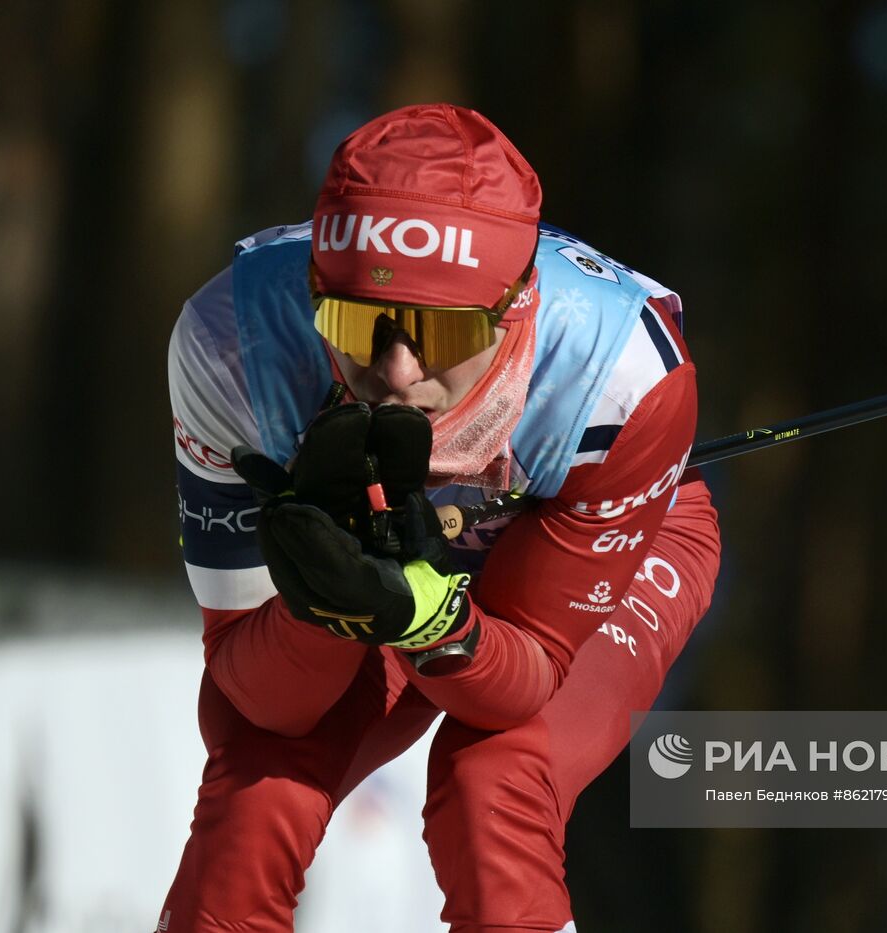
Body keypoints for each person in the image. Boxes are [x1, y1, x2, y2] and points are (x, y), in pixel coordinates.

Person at [160, 103, 721, 933]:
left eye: (442, 332)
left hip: (602, 547)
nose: (394, 372)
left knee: (495, 782)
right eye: (356, 323)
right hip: (416, 562)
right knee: (258, 783)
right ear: (316, 292)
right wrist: (330, 601)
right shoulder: (232, 343)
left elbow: (519, 681)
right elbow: (255, 699)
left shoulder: (624, 376)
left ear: (514, 307)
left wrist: (427, 618)